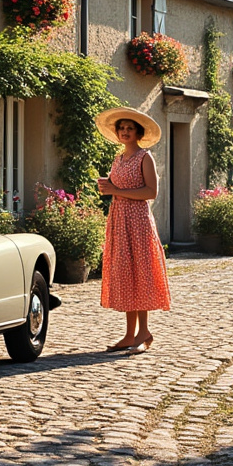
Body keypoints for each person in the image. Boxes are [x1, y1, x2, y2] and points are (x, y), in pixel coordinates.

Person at [94, 106, 172, 354]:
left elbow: (151, 192)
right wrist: (108, 187)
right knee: (126, 275)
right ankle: (130, 334)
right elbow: (118, 187)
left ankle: (144, 331)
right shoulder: (119, 158)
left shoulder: (144, 157)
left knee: (140, 273)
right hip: (119, 220)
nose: (125, 131)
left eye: (129, 128)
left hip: (137, 222)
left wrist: (115, 190)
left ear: (138, 132)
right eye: (122, 128)